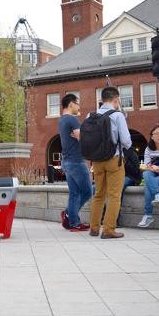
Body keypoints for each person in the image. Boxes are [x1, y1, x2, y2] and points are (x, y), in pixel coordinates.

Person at [89, 87, 132, 239]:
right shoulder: (118, 115)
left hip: (97, 161)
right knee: (114, 195)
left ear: (102, 99)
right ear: (115, 99)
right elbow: (126, 141)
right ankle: (108, 230)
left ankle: (94, 228)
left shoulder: (91, 115)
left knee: (99, 194)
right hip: (114, 159)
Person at [58, 93, 91, 231]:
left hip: (67, 161)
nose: (79, 107)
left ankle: (73, 222)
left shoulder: (62, 120)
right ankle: (69, 216)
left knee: (75, 193)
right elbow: (82, 140)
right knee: (87, 192)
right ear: (71, 104)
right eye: (77, 104)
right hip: (76, 161)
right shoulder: (73, 120)